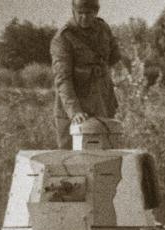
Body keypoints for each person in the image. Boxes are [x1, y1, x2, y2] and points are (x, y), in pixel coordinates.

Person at [50, 0, 122, 149]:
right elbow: (63, 79)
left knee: (105, 157)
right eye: (80, 13)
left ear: (96, 12)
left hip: (102, 103)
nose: (84, 17)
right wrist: (75, 111)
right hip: (73, 110)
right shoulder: (63, 38)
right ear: (73, 11)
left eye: (88, 13)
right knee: (71, 161)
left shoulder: (103, 28)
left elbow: (115, 55)